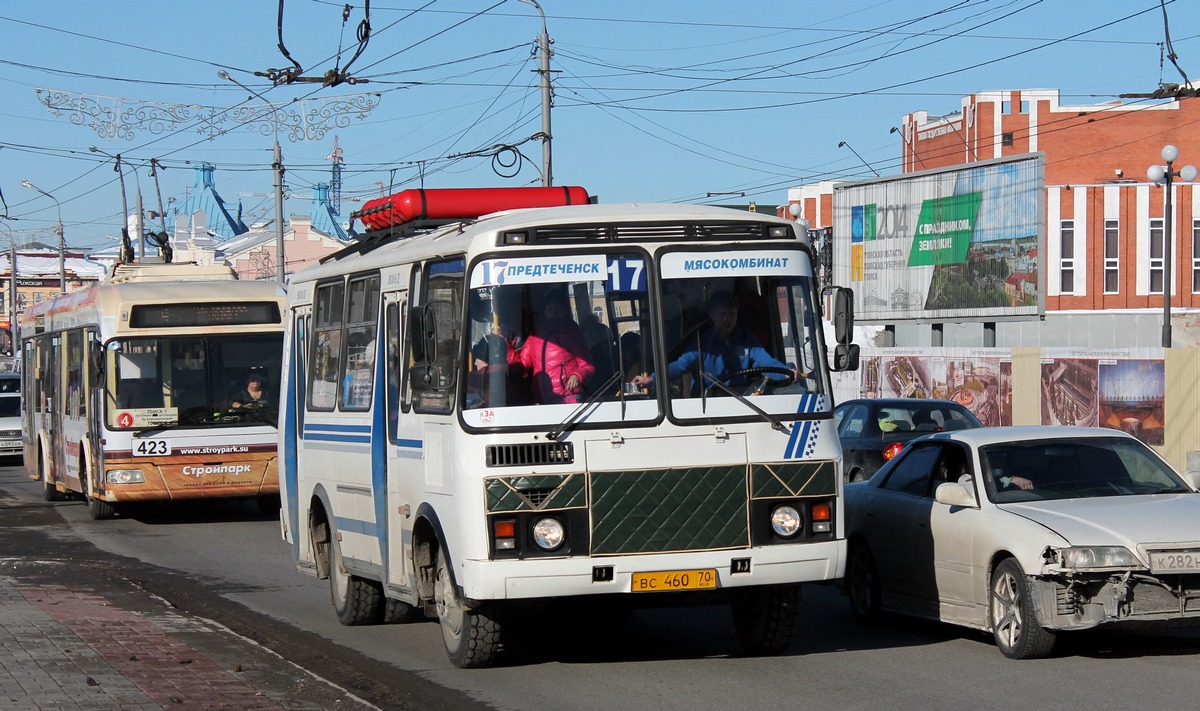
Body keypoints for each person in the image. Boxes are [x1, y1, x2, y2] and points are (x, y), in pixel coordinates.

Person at [632, 290, 794, 396]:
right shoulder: (701, 344)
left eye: (732, 314)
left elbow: (767, 362)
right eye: (722, 314)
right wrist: (652, 380)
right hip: (707, 404)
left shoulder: (747, 339)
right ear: (711, 315)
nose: (727, 319)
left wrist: (787, 372)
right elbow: (678, 367)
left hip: (744, 401)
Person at [517, 287, 594, 404]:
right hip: (544, 398)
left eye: (559, 308)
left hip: (570, 397)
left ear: (566, 311)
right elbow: (521, 365)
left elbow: (587, 366)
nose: (554, 312)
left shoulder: (572, 331)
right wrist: (505, 346)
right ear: (544, 311)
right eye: (550, 308)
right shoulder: (535, 336)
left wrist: (577, 376)